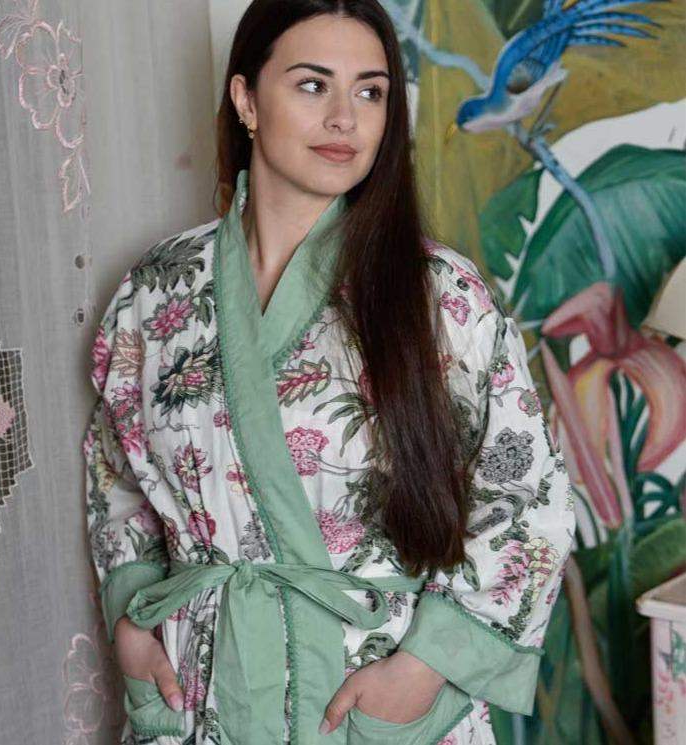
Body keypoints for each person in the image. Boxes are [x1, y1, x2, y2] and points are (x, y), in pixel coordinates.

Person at [83, 1, 576, 743]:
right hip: (202, 689)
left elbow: (527, 499)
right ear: (247, 99)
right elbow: (115, 475)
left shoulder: (439, 295)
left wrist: (425, 668)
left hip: (370, 696)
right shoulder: (157, 289)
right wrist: (132, 616)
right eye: (313, 85)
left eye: (370, 92)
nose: (345, 117)